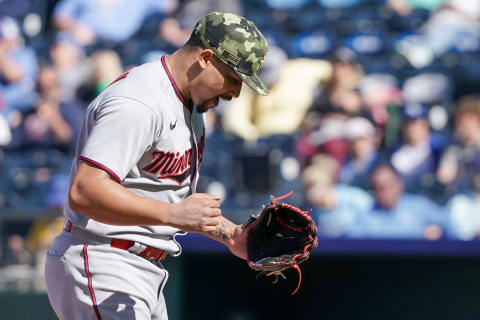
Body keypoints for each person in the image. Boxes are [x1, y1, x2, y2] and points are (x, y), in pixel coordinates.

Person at [44, 11, 270, 319]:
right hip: (101, 260)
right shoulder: (140, 102)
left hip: (138, 268)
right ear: (205, 57)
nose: (235, 93)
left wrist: (230, 235)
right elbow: (84, 190)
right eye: (233, 78)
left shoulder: (190, 105)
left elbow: (162, 196)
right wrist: (173, 215)